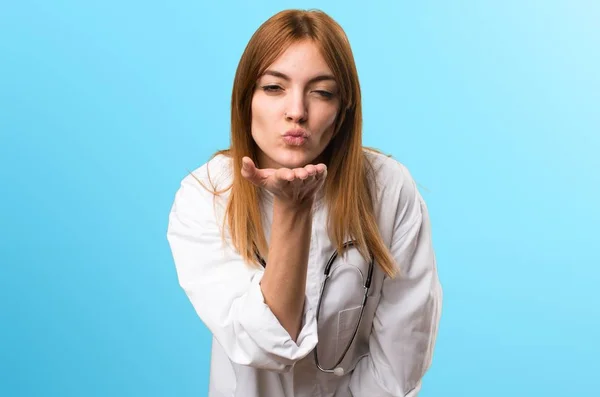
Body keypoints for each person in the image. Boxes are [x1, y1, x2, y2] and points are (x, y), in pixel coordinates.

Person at [166, 8, 442, 397]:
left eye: (322, 92)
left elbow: (402, 354)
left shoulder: (389, 189)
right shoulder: (205, 194)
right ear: (246, 99)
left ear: (343, 108)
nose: (296, 111)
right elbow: (260, 343)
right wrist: (292, 210)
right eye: (274, 88)